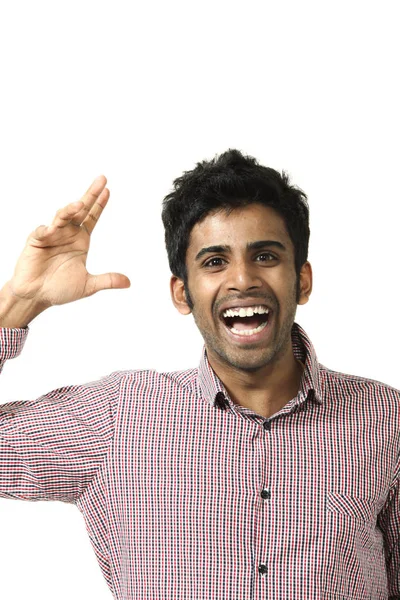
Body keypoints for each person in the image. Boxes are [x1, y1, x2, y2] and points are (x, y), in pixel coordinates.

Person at [0, 149, 398, 600]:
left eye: (265, 256)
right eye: (214, 262)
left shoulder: (388, 419)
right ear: (181, 292)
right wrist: (20, 299)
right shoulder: (118, 418)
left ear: (301, 280)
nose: (242, 279)